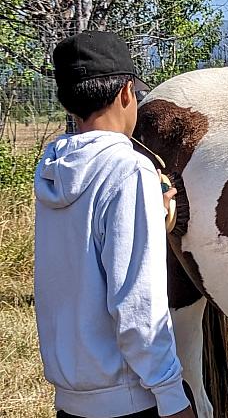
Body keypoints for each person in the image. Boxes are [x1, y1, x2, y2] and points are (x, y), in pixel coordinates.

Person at [34, 31, 193, 418]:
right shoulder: (130, 171)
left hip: (71, 399)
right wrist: (172, 397)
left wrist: (145, 218)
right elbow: (137, 306)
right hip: (129, 399)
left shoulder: (52, 169)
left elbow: (83, 254)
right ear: (126, 92)